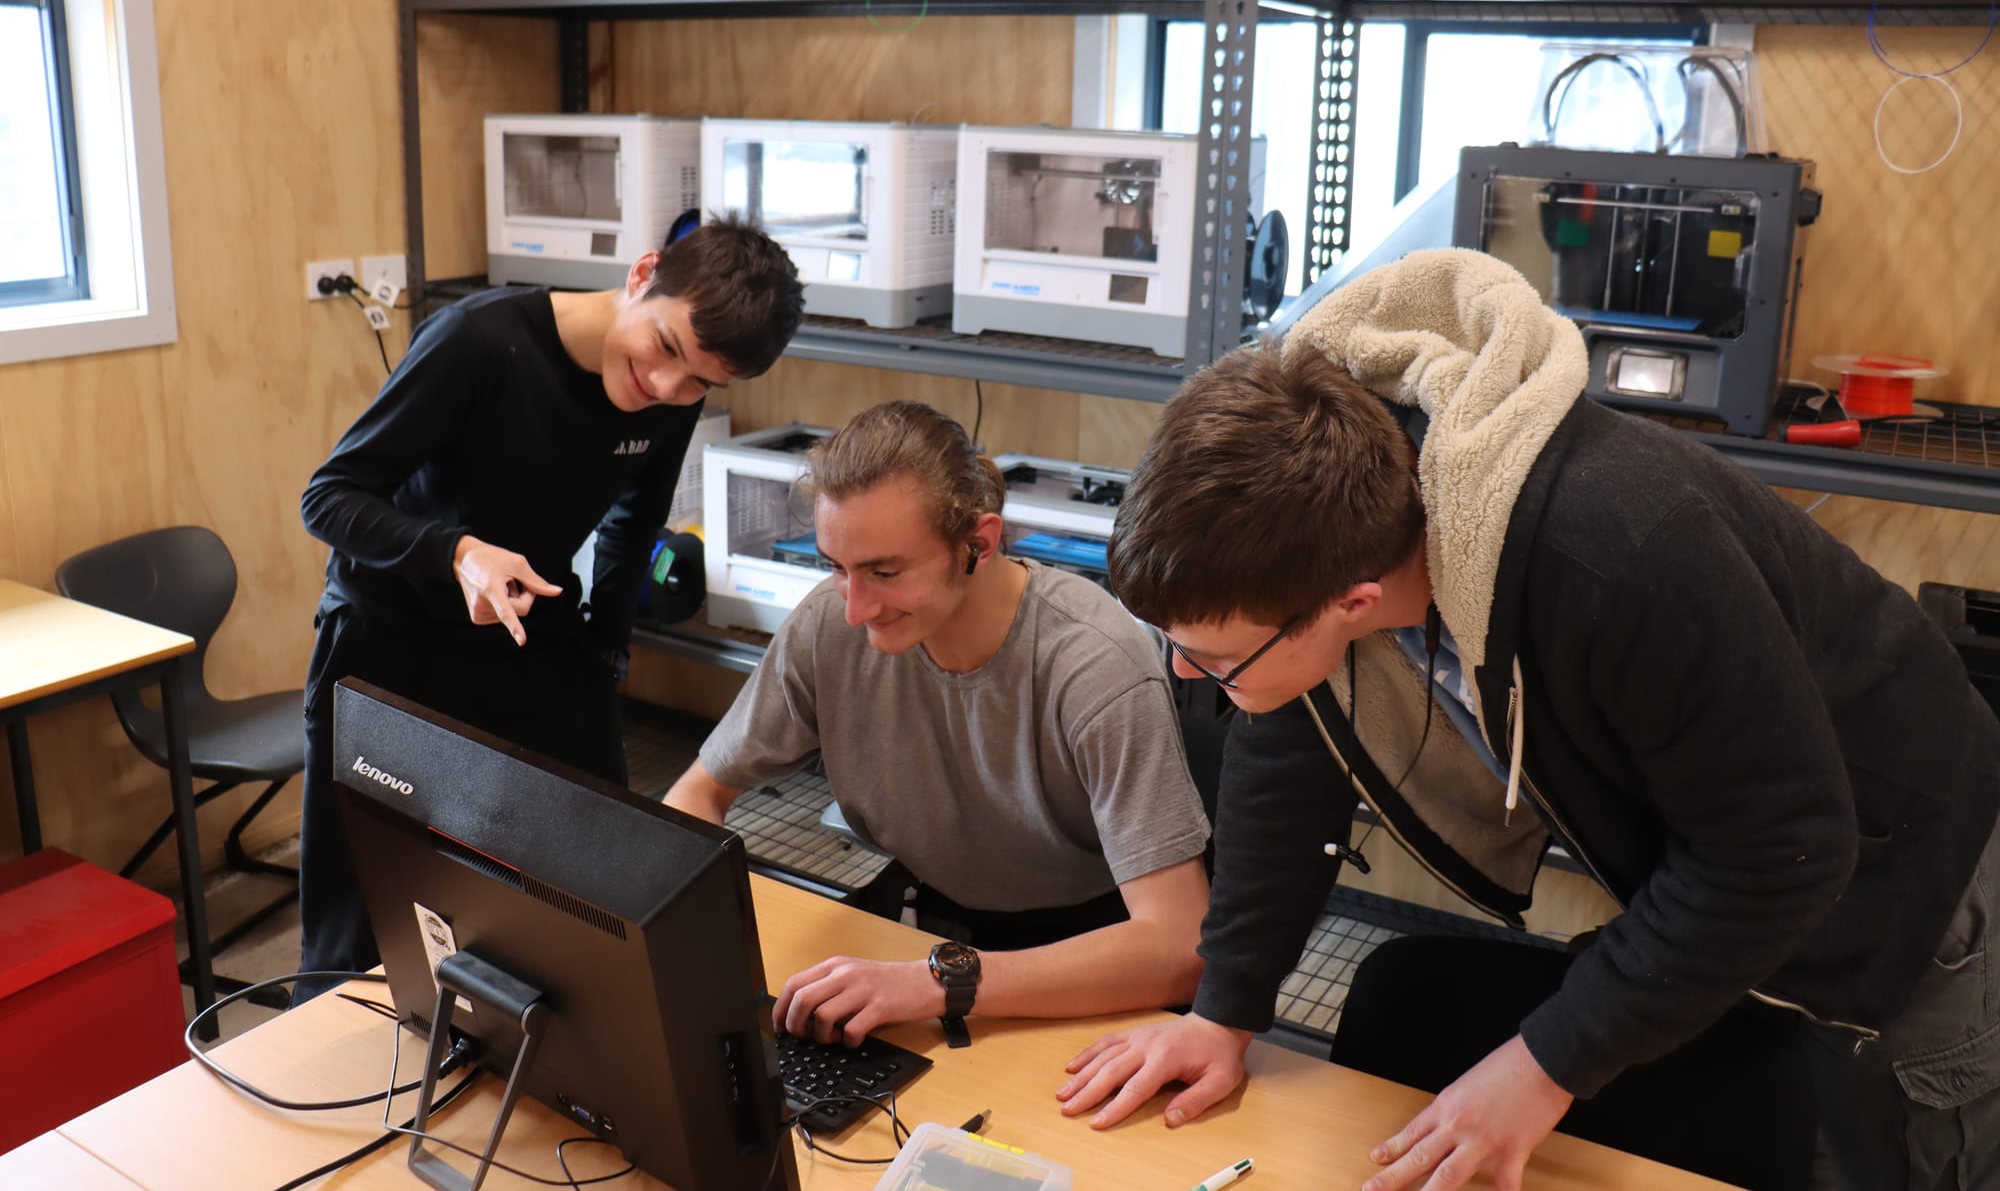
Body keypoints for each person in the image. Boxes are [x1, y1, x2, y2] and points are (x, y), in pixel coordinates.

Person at [1056, 248, 2000, 1191]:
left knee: (1869, 1149)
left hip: (1907, 869)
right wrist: (1223, 1011)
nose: (1184, 673)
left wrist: (1538, 1067)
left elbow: (1776, 848)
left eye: (1217, 660)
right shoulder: (1346, 506)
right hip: (1756, 835)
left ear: (1350, 602)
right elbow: (1293, 739)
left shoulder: (1616, 551)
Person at [295, 218, 804, 998]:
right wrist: (459, 552)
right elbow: (328, 498)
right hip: (387, 634)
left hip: (527, 625)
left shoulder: (671, 394)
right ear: (642, 273)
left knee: (600, 869)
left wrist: (604, 654)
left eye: (703, 383)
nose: (670, 390)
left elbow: (633, 526)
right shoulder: (476, 341)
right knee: (359, 918)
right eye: (666, 348)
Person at [664, 400, 1212, 1048]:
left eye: (885, 572)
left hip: (1090, 946)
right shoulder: (826, 626)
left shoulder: (1095, 663)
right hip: (932, 919)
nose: (855, 607)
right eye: (835, 567)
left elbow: (1181, 949)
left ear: (977, 545)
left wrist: (937, 982)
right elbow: (697, 793)